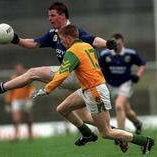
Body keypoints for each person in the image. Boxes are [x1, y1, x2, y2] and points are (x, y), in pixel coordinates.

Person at [0, 2, 117, 147]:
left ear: (63, 15)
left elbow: (93, 40)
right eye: (49, 16)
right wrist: (15, 39)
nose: (50, 19)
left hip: (76, 76)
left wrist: (108, 44)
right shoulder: (54, 34)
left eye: (52, 15)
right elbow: (33, 43)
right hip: (76, 79)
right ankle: (109, 133)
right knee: (83, 115)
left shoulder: (72, 32)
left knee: (33, 72)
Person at [32, 24, 154, 154]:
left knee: (106, 132)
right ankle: (88, 134)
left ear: (68, 38)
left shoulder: (72, 51)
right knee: (62, 109)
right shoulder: (87, 46)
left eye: (62, 39)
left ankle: (144, 141)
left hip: (94, 91)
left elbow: (62, 73)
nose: (61, 42)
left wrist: (47, 89)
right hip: (89, 88)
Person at [99, 33, 145, 135]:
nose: (117, 46)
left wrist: (138, 75)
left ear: (123, 43)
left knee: (119, 106)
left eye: (119, 44)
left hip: (126, 83)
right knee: (126, 110)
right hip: (111, 85)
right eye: (115, 44)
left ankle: (121, 136)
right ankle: (137, 123)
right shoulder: (105, 54)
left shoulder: (130, 54)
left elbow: (142, 64)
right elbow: (98, 68)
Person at [5, 64, 34, 141]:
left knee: (28, 118)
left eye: (20, 69)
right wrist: (8, 101)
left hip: (25, 100)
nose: (19, 70)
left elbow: (32, 88)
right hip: (16, 100)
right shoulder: (13, 78)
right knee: (16, 119)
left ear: (22, 69)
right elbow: (10, 91)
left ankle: (30, 134)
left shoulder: (27, 77)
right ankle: (16, 135)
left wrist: (30, 98)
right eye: (17, 69)